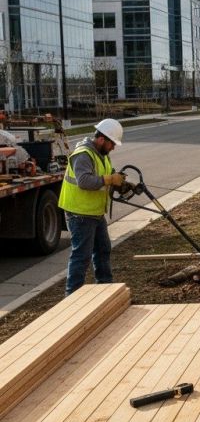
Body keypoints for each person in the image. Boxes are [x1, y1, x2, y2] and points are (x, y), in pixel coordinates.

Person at [58, 118, 125, 296]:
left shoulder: (102, 154)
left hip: (94, 212)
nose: (113, 147)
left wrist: (120, 181)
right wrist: (109, 179)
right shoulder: (83, 154)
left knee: (103, 250)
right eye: (112, 143)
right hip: (80, 214)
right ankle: (72, 296)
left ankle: (105, 288)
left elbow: (107, 174)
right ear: (102, 139)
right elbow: (84, 181)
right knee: (82, 256)